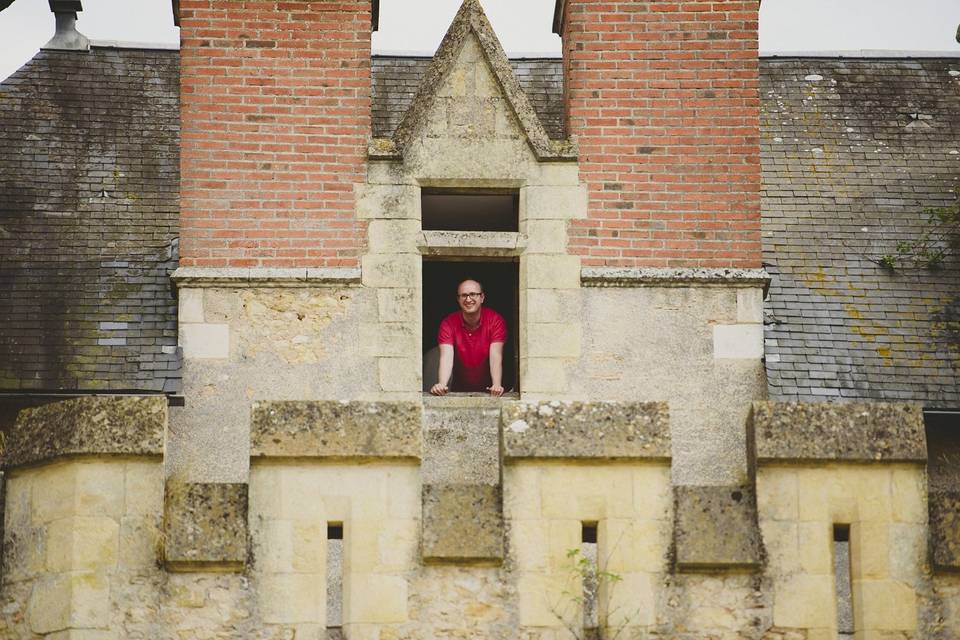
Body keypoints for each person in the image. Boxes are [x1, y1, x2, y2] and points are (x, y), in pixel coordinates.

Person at [430, 279, 506, 397]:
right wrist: (441, 384)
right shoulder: (448, 323)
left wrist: (496, 385)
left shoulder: (495, 320)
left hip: (490, 390)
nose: (468, 299)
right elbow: (446, 356)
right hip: (459, 388)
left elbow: (496, 354)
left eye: (473, 294)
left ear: (482, 297)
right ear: (458, 299)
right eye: (464, 295)